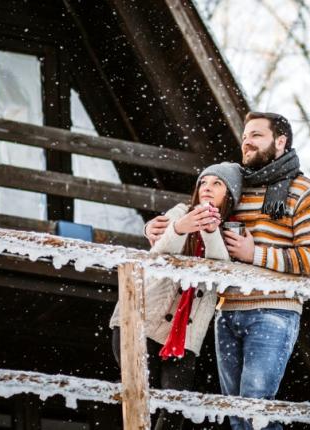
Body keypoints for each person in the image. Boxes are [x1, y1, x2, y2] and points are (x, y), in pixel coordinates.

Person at [145, 112, 310, 430]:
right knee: (235, 414)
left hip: (274, 311)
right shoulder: (236, 187)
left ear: (280, 141)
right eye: (245, 136)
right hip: (226, 311)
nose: (247, 141)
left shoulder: (306, 192)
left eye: (256, 135)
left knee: (255, 409)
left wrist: (253, 253)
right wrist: (158, 227)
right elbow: (193, 213)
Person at [109, 162, 243, 430]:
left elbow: (220, 273)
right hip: (142, 321)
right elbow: (157, 254)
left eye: (217, 184)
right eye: (203, 183)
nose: (207, 188)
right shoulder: (180, 212)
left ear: (230, 194)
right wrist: (180, 227)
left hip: (185, 337)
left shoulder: (232, 231)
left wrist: (210, 230)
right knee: (138, 397)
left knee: (175, 406)